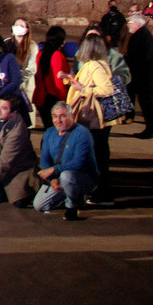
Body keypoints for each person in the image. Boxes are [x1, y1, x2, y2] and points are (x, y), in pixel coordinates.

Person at [62, 34, 118, 204]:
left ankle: (102, 193)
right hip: (94, 119)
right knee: (98, 155)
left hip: (93, 120)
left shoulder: (94, 66)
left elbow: (107, 89)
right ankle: (99, 190)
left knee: (97, 156)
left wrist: (84, 89)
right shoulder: (98, 64)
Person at [34, 102, 99, 221]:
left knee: (66, 176)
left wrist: (54, 169)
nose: (58, 120)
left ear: (71, 116)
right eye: (55, 116)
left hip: (81, 177)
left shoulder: (82, 133)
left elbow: (79, 162)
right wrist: (52, 179)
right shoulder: (49, 132)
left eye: (62, 116)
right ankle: (68, 194)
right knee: (39, 205)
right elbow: (44, 159)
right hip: (59, 178)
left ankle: (73, 206)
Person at [0, 94, 39, 207]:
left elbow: (5, 161)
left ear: (14, 112)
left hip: (18, 170)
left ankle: (32, 189)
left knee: (18, 202)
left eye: (4, 108)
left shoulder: (18, 131)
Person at [124, 13, 153, 139]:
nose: (128, 24)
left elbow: (143, 57)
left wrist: (129, 62)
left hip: (145, 77)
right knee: (145, 103)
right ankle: (152, 126)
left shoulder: (143, 36)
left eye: (130, 22)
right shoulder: (140, 35)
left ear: (137, 24)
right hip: (142, 77)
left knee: (147, 104)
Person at [32, 26, 70, 129]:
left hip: (41, 97)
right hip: (53, 97)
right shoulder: (57, 55)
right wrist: (64, 100)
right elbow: (59, 81)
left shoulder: (41, 54)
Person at [3, 18, 38, 104]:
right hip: (8, 84)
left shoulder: (32, 46)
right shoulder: (6, 43)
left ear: (26, 30)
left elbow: (32, 69)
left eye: (22, 26)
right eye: (16, 25)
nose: (18, 27)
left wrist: (16, 79)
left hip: (24, 85)